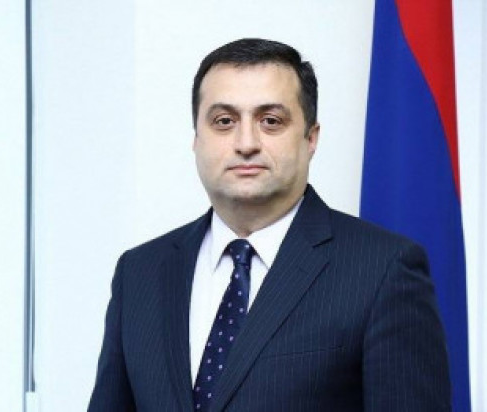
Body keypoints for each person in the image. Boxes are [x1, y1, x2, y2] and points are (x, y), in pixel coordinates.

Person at [89, 38, 450, 411]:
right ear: (197, 138)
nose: (246, 143)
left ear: (311, 138)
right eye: (224, 121)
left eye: (270, 121)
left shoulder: (384, 270)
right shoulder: (140, 273)